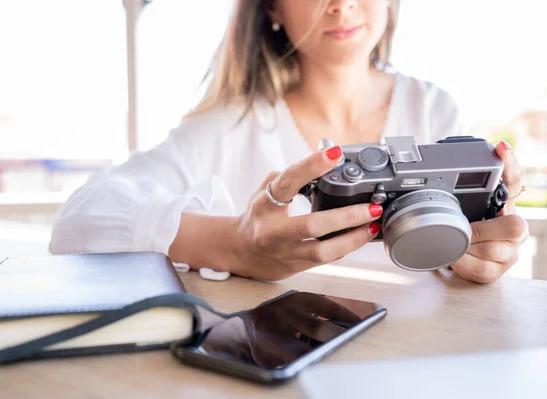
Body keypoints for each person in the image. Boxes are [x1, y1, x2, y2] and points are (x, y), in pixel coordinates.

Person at [49, 0, 528, 284]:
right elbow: (78, 220)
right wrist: (235, 246)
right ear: (271, 8)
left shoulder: (433, 108)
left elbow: (455, 260)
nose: (339, 4)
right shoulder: (233, 125)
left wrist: (479, 253)